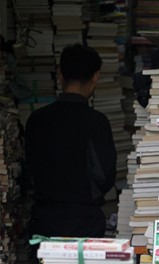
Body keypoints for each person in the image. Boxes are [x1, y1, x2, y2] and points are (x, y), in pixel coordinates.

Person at [25, 44, 116, 237]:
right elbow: (104, 177)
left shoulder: (36, 120)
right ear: (96, 77)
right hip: (85, 222)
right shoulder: (96, 122)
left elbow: (30, 171)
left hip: (44, 221)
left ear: (60, 75)